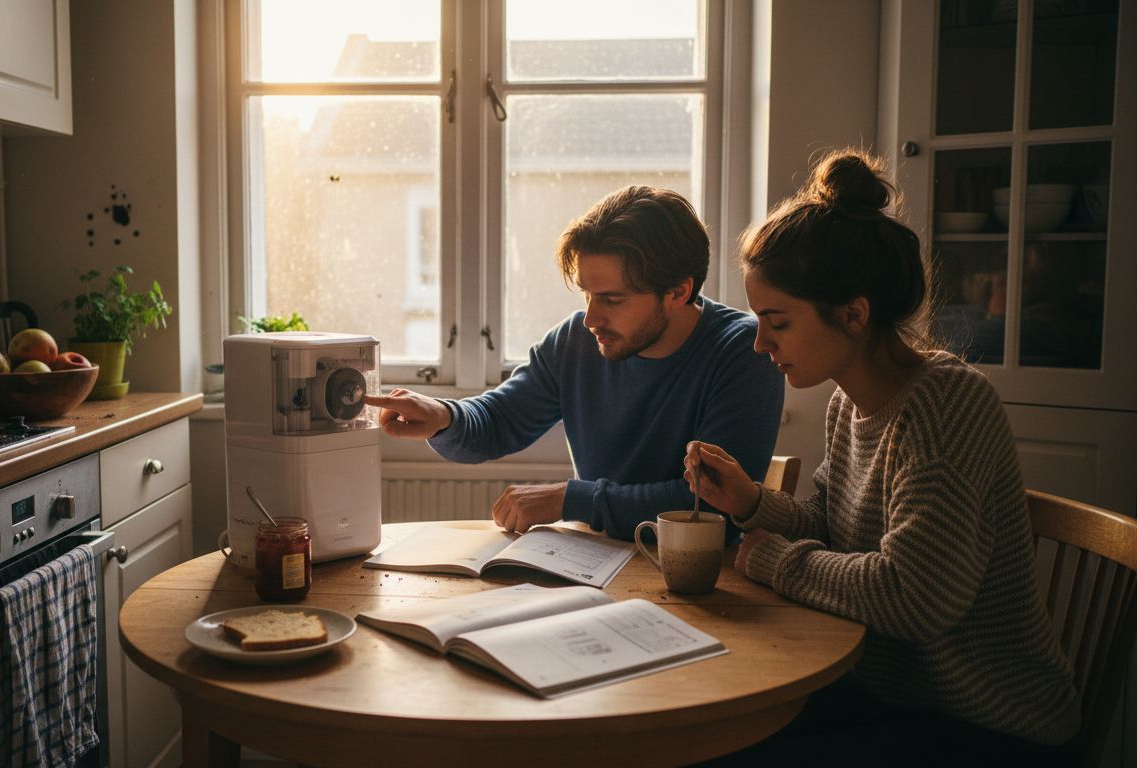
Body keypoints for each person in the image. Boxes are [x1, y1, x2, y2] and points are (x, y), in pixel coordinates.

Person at [685, 149, 1079, 764]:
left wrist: (776, 562)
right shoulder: (850, 402)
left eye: (777, 322)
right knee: (711, 728)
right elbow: (840, 533)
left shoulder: (946, 406)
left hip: (986, 719)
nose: (760, 343)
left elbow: (914, 596)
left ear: (854, 313)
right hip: (896, 692)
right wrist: (752, 502)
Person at [364, 185, 784, 540]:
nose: (591, 318)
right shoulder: (577, 341)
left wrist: (569, 498)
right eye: (586, 294)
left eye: (611, 299)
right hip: (594, 563)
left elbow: (709, 504)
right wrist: (443, 416)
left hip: (702, 582)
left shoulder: (744, 350)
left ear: (677, 291)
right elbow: (499, 419)